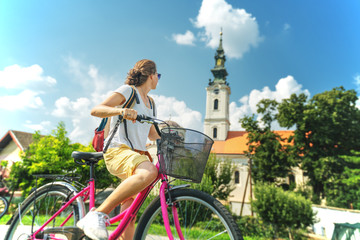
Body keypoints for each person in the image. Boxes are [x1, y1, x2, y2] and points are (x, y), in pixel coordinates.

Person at [77, 59, 161, 240]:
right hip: (118, 150)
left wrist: (172, 133)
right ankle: (97, 215)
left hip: (137, 156)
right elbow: (96, 109)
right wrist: (121, 111)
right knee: (149, 172)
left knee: (130, 214)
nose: (158, 79)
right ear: (151, 75)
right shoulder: (128, 91)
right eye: (158, 75)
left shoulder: (152, 103)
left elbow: (153, 134)